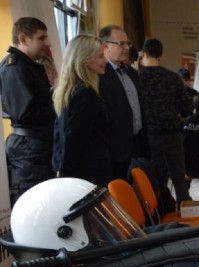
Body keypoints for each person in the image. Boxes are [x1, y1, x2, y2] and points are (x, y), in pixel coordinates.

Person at [0, 17, 56, 196]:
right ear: (23, 39)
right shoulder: (14, 68)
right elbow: (24, 113)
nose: (47, 43)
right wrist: (59, 107)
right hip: (29, 148)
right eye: (41, 38)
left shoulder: (29, 65)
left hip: (37, 145)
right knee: (36, 201)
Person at [138, 37, 193, 205]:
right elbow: (186, 108)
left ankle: (162, 208)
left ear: (144, 53)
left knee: (156, 175)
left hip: (148, 136)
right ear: (160, 55)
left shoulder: (136, 78)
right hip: (172, 134)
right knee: (178, 175)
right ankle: (185, 209)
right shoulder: (173, 78)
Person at [51, 35, 111, 187]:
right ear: (84, 59)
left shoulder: (68, 91)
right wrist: (64, 172)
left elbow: (60, 133)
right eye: (100, 56)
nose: (105, 61)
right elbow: (76, 138)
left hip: (73, 170)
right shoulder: (86, 93)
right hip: (86, 173)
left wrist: (60, 168)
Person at [98, 24, 147, 181]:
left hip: (138, 143)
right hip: (115, 149)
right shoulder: (99, 74)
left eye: (128, 43)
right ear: (106, 46)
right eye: (121, 44)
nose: (127, 48)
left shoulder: (132, 73)